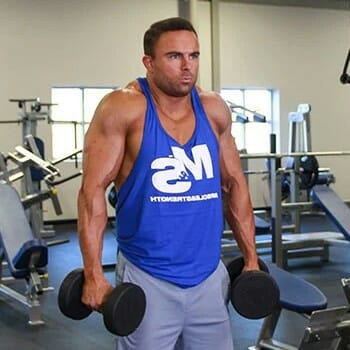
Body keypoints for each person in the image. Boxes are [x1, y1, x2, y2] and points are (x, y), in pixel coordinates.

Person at [77, 17, 259, 350]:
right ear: (149, 62)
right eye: (174, 56)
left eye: (193, 56)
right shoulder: (123, 108)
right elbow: (91, 193)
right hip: (147, 276)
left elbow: (234, 183)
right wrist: (93, 274)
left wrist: (250, 260)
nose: (187, 66)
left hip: (208, 275)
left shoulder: (214, 109)